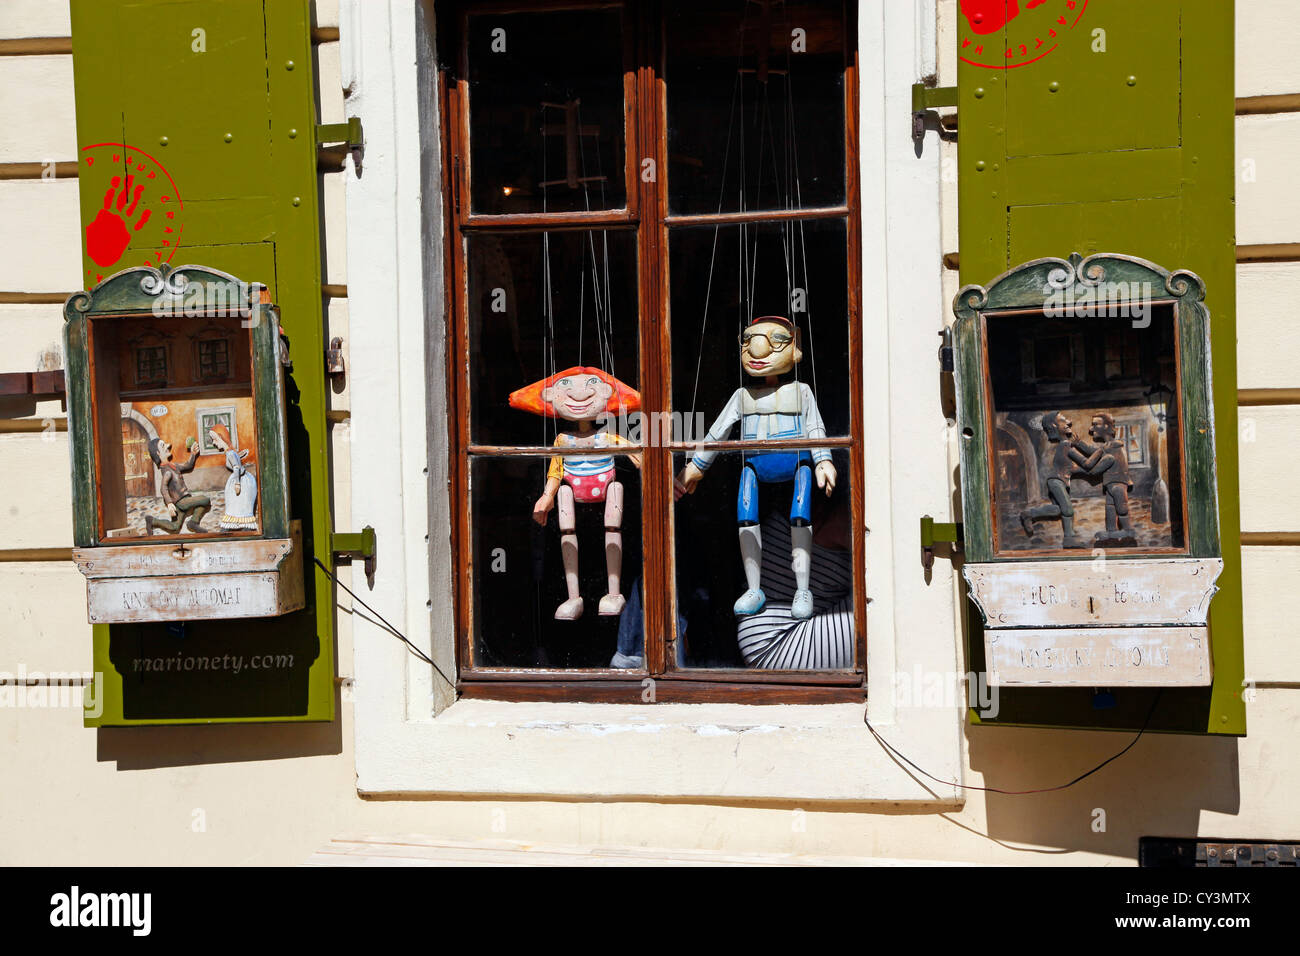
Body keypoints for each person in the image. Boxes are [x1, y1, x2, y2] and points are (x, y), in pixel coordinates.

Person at [675, 315, 836, 620]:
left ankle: (803, 589)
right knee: (745, 517)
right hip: (754, 465)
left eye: (776, 341)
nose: (757, 351)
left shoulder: (801, 391)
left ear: (795, 347)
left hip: (797, 461)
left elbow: (815, 428)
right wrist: (697, 466)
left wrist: (823, 459)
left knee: (800, 517)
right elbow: (717, 432)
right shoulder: (742, 396)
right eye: (748, 341)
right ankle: (753, 588)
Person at [509, 366, 642, 620]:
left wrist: (664, 476)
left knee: (616, 493)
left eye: (591, 383)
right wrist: (547, 496)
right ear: (549, 396)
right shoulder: (562, 440)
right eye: (565, 387)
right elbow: (555, 472)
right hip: (573, 488)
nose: (578, 393)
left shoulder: (609, 437)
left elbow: (639, 456)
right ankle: (573, 596)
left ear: (606, 392)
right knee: (563, 500)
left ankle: (614, 593)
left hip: (606, 485)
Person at [1018, 410, 1087, 549]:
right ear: (1054, 426)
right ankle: (1069, 538)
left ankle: (1028, 514)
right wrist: (1097, 461)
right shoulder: (1065, 445)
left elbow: (1073, 467)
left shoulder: (1065, 445)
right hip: (1056, 481)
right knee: (1067, 510)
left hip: (1058, 481)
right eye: (1063, 420)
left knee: (1057, 510)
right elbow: (1082, 464)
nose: (1069, 422)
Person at [1071, 412, 1136, 546]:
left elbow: (1093, 470)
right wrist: (1079, 443)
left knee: (1121, 509)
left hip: (1118, 485)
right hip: (1111, 486)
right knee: (1110, 508)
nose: (1091, 429)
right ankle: (1111, 530)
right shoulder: (1107, 447)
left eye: (1095, 425)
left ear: (1106, 426)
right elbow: (1092, 452)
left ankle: (1128, 530)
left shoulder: (1113, 450)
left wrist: (1077, 469)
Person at [143, 437, 210, 534]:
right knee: (205, 499)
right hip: (181, 501)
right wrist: (169, 503)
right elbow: (163, 488)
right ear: (158, 453)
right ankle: (193, 522)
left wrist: (193, 454)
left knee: (175, 527)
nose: (168, 446)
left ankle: (152, 521)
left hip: (178, 502)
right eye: (163, 446)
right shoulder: (167, 472)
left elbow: (188, 465)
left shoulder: (173, 466)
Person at [207, 423, 257, 531]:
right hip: (239, 478)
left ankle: (244, 529)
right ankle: (239, 527)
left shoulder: (230, 453)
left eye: (214, 439)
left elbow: (236, 467)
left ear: (221, 437)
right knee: (235, 506)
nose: (214, 443)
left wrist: (237, 483)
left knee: (238, 506)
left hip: (241, 481)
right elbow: (236, 461)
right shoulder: (230, 452)